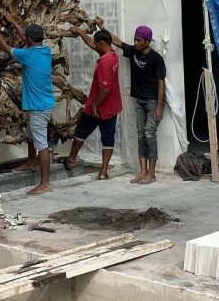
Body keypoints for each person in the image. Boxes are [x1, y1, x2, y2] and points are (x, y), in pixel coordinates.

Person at [0, 14, 55, 196]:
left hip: (38, 108)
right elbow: (26, 40)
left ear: (30, 40)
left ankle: (45, 184)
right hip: (43, 104)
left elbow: (6, 47)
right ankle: (31, 162)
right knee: (30, 134)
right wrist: (13, 22)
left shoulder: (27, 55)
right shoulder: (45, 50)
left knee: (42, 144)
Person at [95, 17, 166, 185]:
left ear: (147, 41)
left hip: (152, 101)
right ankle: (142, 171)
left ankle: (152, 174)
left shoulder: (156, 58)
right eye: (134, 39)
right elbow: (117, 41)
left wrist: (159, 107)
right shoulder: (133, 51)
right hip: (139, 100)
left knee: (149, 134)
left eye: (139, 40)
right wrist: (102, 27)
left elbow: (161, 82)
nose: (135, 42)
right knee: (141, 135)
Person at [62, 28, 122, 180]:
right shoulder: (112, 55)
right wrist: (80, 32)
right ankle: (103, 172)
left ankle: (71, 159)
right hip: (112, 107)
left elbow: (104, 89)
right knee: (108, 138)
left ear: (102, 43)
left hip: (98, 107)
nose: (94, 46)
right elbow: (92, 44)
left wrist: (95, 104)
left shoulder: (104, 63)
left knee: (81, 131)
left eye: (97, 44)